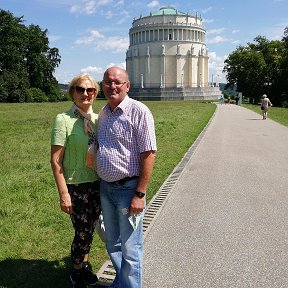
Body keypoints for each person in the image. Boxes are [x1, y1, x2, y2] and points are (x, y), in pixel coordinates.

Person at [96, 66, 157, 288]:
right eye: (108, 82)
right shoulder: (103, 113)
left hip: (127, 189)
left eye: (117, 82)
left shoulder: (139, 111)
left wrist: (139, 194)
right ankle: (122, 282)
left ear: (127, 86)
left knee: (131, 248)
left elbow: (149, 153)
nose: (112, 86)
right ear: (102, 85)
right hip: (106, 189)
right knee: (112, 242)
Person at [50, 73, 101, 288]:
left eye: (90, 90)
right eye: (80, 89)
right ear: (72, 92)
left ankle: (85, 265)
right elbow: (56, 161)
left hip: (97, 183)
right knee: (82, 231)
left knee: (89, 230)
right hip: (75, 185)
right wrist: (64, 194)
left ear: (95, 94)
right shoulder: (63, 120)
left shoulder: (99, 120)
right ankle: (76, 272)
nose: (85, 93)